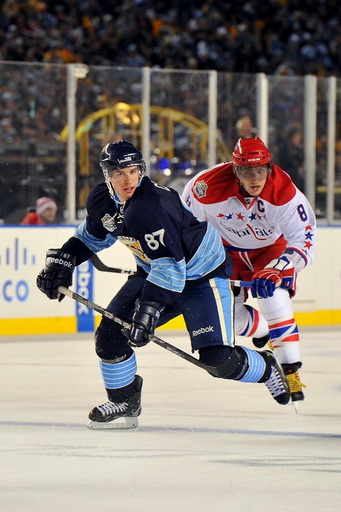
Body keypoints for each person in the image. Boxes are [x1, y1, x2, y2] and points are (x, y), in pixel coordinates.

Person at [36, 140, 290, 430]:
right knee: (109, 335)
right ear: (107, 176)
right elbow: (91, 237)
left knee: (218, 361)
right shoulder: (101, 201)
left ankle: (267, 366)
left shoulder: (153, 205)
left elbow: (172, 266)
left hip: (202, 278)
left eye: (133, 171)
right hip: (154, 272)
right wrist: (65, 259)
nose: (128, 180)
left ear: (142, 171)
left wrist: (148, 311)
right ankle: (125, 401)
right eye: (119, 174)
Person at [182, 137, 316, 406]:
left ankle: (292, 374)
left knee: (274, 299)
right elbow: (185, 225)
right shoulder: (205, 187)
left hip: (270, 250)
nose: (254, 178)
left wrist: (278, 268)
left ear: (269, 167)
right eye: (246, 171)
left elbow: (304, 239)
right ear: (234, 169)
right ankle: (263, 330)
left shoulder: (283, 192)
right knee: (228, 318)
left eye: (260, 170)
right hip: (225, 252)